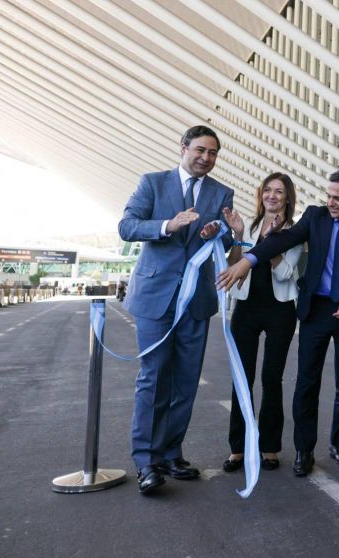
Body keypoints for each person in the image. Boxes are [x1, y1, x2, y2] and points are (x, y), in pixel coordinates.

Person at [217, 170, 339, 475]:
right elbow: (281, 242)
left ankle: (338, 444)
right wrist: (247, 260)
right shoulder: (315, 217)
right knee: (307, 382)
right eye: (328, 195)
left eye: (338, 197)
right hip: (316, 311)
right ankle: (303, 451)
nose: (330, 202)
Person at [118, 125, 234, 495]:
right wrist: (169, 225)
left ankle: (171, 453)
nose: (206, 158)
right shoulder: (152, 183)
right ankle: (145, 462)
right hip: (156, 298)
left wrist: (225, 231)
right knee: (153, 378)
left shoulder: (221, 192)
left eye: (213, 153)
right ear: (183, 148)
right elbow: (127, 226)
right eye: (200, 150)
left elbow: (225, 240)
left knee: (185, 381)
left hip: (197, 300)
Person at [218, 173, 302, 473]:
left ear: (288, 198)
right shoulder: (249, 226)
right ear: (261, 194)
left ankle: (269, 447)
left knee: (271, 379)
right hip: (247, 308)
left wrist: (272, 243)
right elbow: (233, 265)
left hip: (280, 309)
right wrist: (240, 235)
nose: (273, 196)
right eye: (268, 190)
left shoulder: (294, 231)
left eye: (279, 192)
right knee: (243, 377)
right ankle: (237, 449)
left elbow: (285, 273)